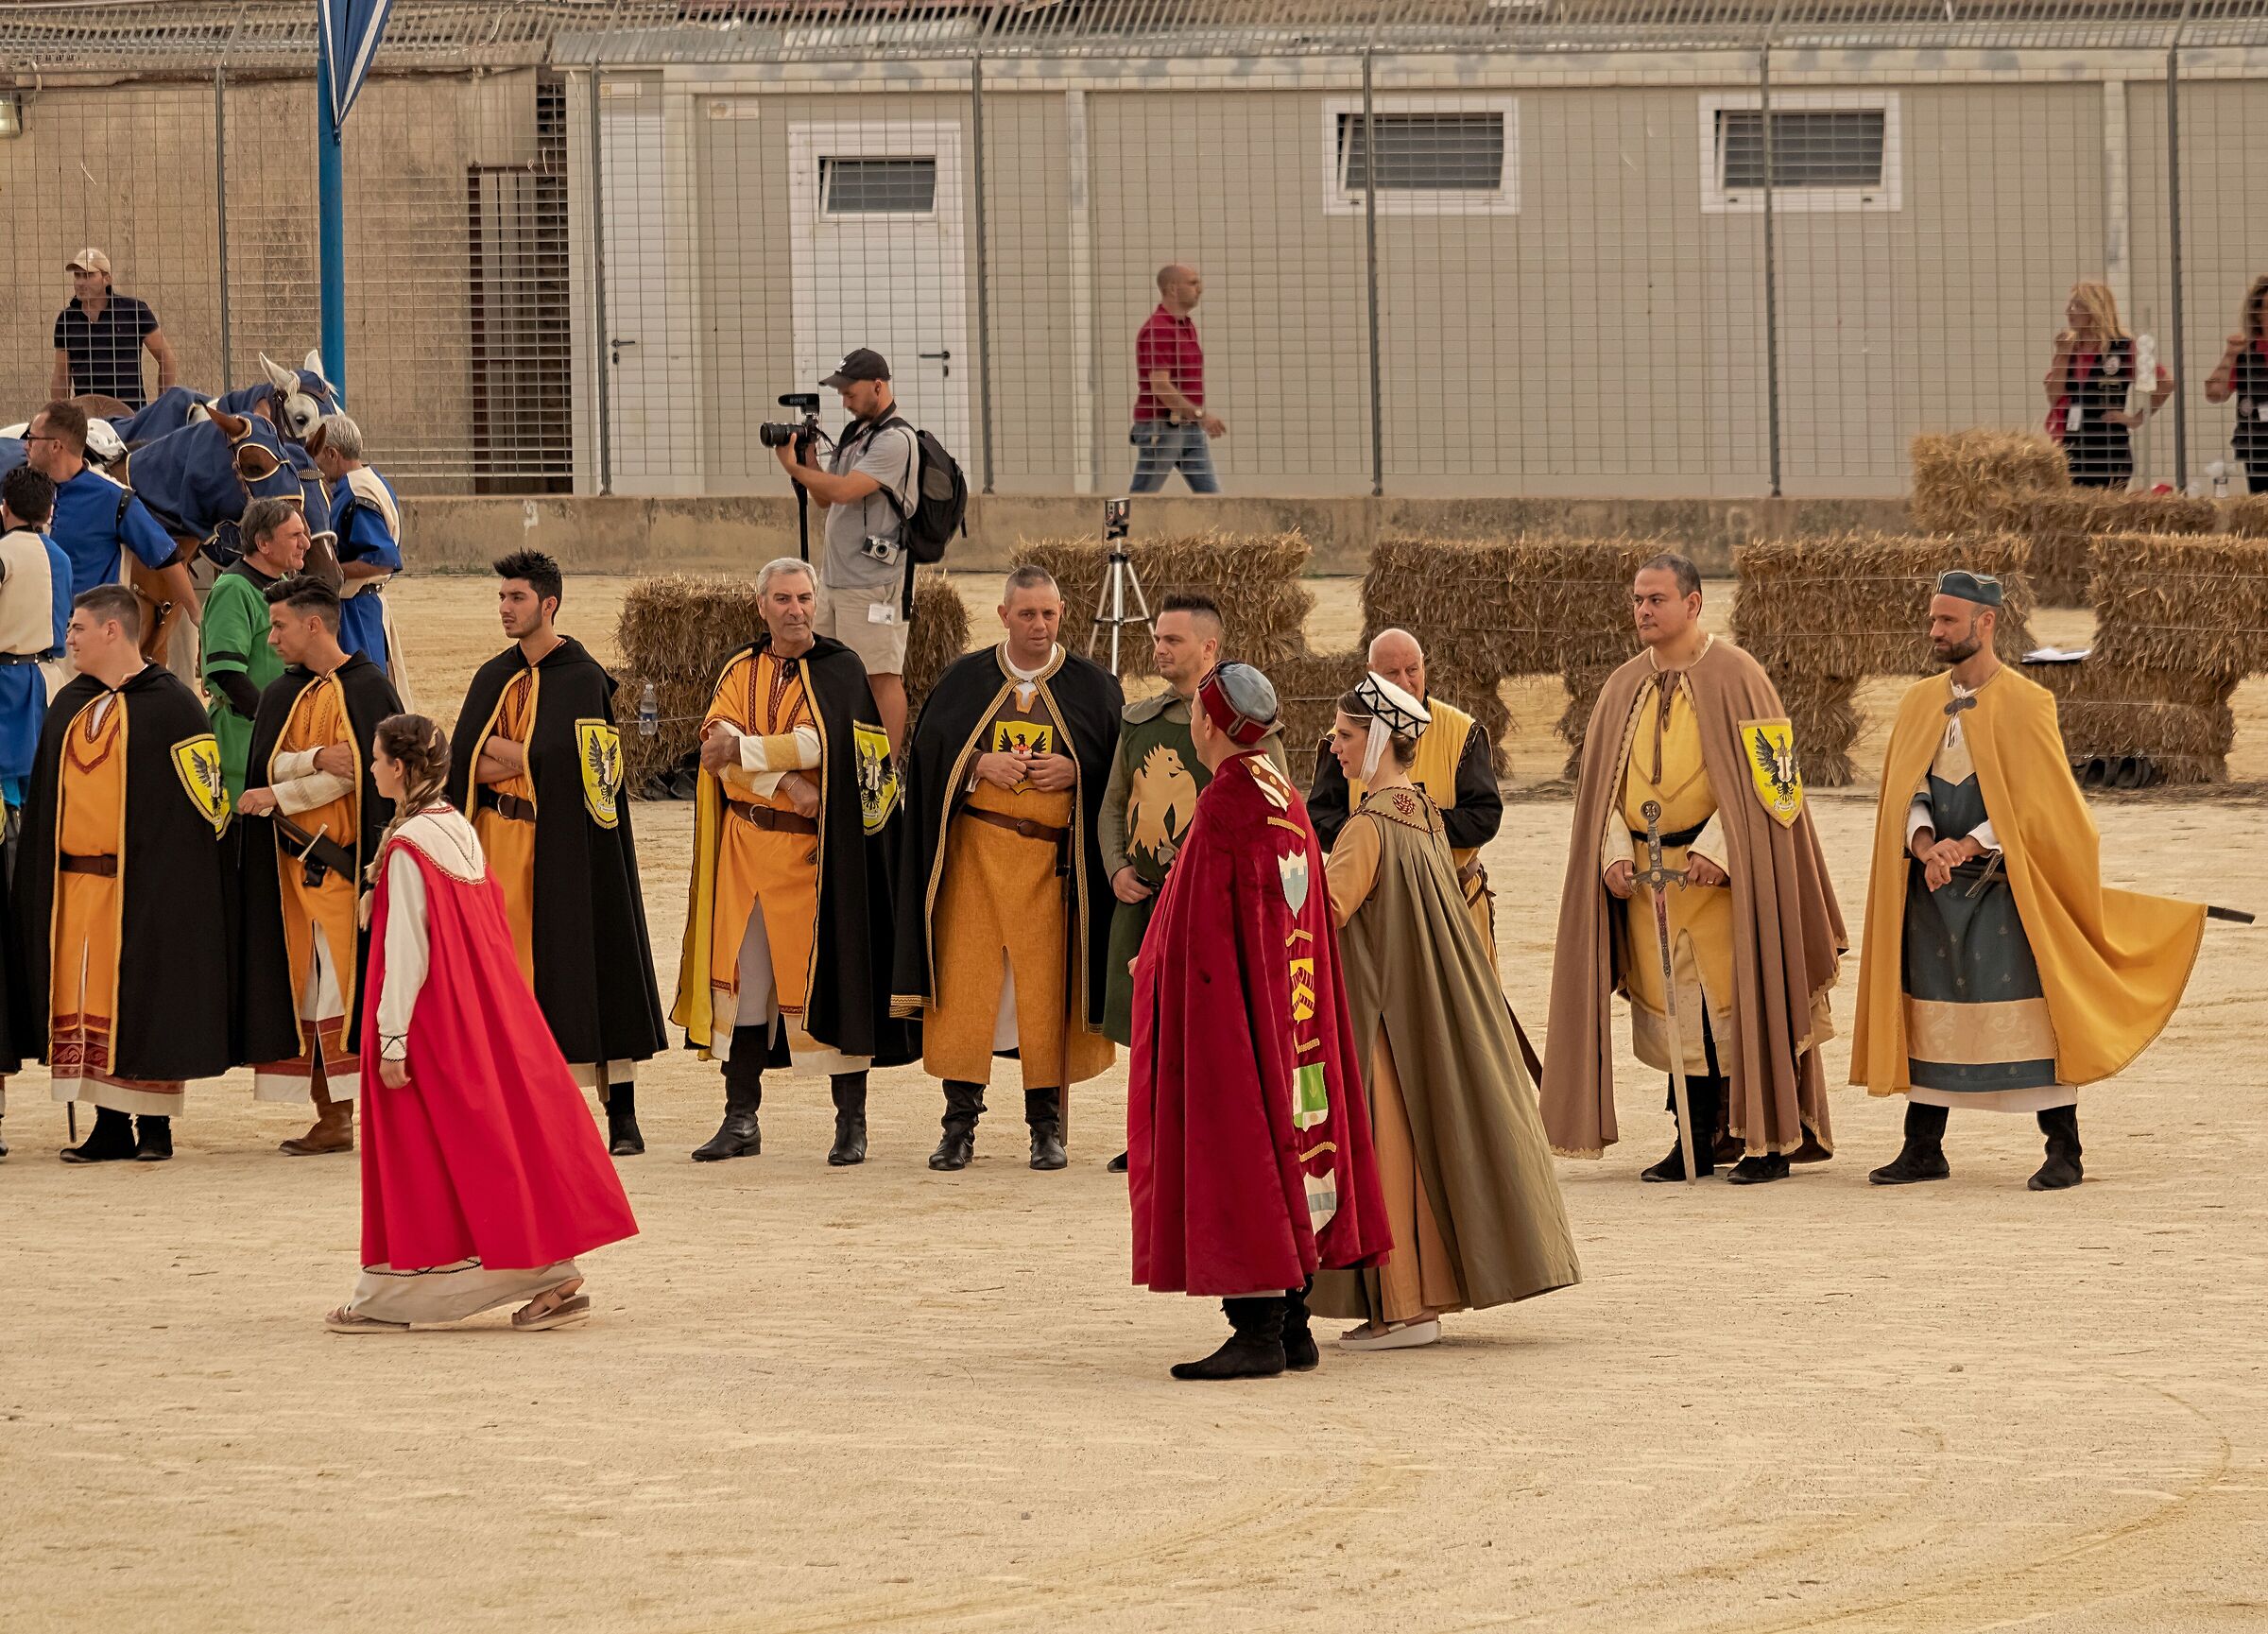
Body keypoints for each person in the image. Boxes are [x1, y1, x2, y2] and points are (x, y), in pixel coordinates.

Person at [1852, 571, 2206, 1191]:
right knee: (1935, 1008)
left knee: (2033, 1009)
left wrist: (1973, 842)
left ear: (1986, 623)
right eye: (1932, 620)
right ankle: (1923, 1146)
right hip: (1932, 892)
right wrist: (1927, 843)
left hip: (2004, 891)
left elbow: (2042, 803)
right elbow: (1905, 791)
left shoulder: (2027, 702)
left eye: (1948, 621)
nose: (1935, 631)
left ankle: (2063, 1149)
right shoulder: (1917, 704)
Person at [1540, 554, 1847, 1184]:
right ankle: (1694, 1140)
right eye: (1637, 600)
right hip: (1648, 883)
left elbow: (1780, 791)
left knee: (1736, 1009)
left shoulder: (1742, 676)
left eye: (1656, 599)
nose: (1644, 611)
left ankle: (1764, 1140)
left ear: (1694, 603)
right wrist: (1615, 855)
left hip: (1727, 884)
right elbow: (1600, 792)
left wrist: (1726, 849)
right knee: (1678, 1016)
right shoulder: (1622, 687)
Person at [327, 714, 638, 1333]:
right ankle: (549, 1270)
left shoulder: (410, 847)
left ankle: (395, 1297)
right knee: (497, 1145)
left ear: (401, 768)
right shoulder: (456, 827)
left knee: (430, 1161)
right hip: (481, 1015)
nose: (370, 767)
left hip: (432, 1027)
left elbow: (407, 953)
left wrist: (391, 1042)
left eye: (378, 757)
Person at [1126, 662, 1390, 1379]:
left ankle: (1257, 1330)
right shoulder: (1284, 791)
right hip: (1295, 1013)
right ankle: (1294, 1322)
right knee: (1296, 1143)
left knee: (1238, 1144)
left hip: (1240, 1010)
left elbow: (1198, 923)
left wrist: (1154, 974)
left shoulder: (1226, 802)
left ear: (1206, 723)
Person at [1312, 675, 1581, 1350]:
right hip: (1418, 1017)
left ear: (1375, 740)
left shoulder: (1367, 829)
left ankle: (1401, 1307)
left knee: (1387, 1160)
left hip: (1380, 1022)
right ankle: (1415, 1301)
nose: (1334, 747)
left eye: (1344, 736)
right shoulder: (1424, 813)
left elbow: (1322, 915)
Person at [673, 559, 908, 1166]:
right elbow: (714, 750)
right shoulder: (738, 669)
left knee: (829, 983)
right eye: (782, 599)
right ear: (761, 605)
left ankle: (850, 1125)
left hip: (813, 863)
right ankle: (740, 1119)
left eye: (804, 597)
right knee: (746, 988)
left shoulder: (841, 670)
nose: (795, 609)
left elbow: (822, 742)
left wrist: (747, 750)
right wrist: (783, 785)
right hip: (745, 853)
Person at [891, 565, 1122, 1172]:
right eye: (1026, 614)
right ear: (1003, 615)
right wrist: (975, 767)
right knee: (967, 993)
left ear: (1062, 613)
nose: (1039, 625)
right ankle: (958, 1126)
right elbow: (925, 763)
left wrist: (1078, 774)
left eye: (1048, 613)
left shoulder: (1094, 687)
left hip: (1050, 872)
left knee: (1044, 998)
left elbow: (1119, 778)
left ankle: (1046, 1128)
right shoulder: (965, 680)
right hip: (974, 864)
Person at [449, 552, 666, 1155]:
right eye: (501, 598)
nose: (505, 609)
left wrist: (509, 756)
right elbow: (463, 760)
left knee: (590, 966)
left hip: (563, 847)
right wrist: (523, 754)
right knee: (505, 983)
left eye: (516, 598)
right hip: (496, 845)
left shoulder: (582, 677)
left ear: (549, 604)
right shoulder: (494, 675)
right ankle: (518, 1117)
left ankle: (621, 1117)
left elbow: (578, 771)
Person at [19, 586, 231, 1163]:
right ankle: (107, 1124)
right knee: (89, 1003)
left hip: (149, 887)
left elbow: (207, 811)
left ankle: (153, 1127)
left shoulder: (175, 706)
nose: (69, 639)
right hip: (75, 890)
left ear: (113, 631)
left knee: (149, 998)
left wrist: (177, 886)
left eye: (78, 628)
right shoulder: (68, 703)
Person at [1097, 593, 1288, 1172]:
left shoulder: (1249, 726)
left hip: (1208, 902)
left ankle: (1202, 1141)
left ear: (1209, 648)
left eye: (1172, 640)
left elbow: (1271, 815)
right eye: (1156, 638)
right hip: (1145, 897)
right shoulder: (1139, 720)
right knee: (1147, 1026)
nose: (1158, 648)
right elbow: (1114, 804)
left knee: (1208, 1024)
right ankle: (1150, 1137)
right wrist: (1116, 867)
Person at [235, 580, 402, 1157]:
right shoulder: (280, 693)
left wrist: (283, 793)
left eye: (279, 625)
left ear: (315, 624)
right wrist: (308, 762)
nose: (271, 637)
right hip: (286, 873)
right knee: (303, 995)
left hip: (347, 870)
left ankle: (365, 1115)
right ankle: (329, 1118)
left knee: (348, 993)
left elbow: (364, 774)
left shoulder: (369, 689)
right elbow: (266, 766)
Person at [1307, 627, 1505, 961]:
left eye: (1412, 670)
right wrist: (1375, 848)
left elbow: (1484, 818)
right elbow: (1322, 819)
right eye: (1391, 673)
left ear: (1424, 667)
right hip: (1377, 912)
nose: (1404, 682)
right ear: (1370, 675)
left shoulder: (1463, 732)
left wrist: (1405, 832)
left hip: (1458, 904)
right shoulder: (1341, 743)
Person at [770, 349, 916, 753]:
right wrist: (810, 460)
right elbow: (825, 500)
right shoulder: (857, 436)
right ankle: (838, 757)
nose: (845, 401)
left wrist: (794, 468)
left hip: (875, 583)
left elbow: (847, 490)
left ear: (878, 386)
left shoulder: (896, 440)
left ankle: (882, 771)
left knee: (879, 675)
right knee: (828, 671)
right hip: (835, 580)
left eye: (850, 393)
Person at [24, 401, 195, 611]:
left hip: (90, 632)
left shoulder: (114, 498)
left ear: (55, 446)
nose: (26, 445)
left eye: (31, 439)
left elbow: (166, 557)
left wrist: (197, 617)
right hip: (37, 631)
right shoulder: (24, 491)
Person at [201, 497, 310, 801]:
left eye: (303, 533)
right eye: (294, 536)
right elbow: (227, 673)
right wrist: (273, 724)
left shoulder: (283, 583)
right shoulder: (234, 590)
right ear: (263, 544)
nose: (305, 543)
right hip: (245, 741)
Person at [2045, 281, 2173, 490]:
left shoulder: (2123, 347)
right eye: (2069, 305)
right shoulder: (2068, 348)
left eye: (2077, 305)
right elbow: (2054, 397)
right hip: (2072, 448)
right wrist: (2062, 354)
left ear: (2094, 309)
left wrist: (2135, 419)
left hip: (2109, 450)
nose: (2068, 311)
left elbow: (2165, 384)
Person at [308, 413, 406, 681]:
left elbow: (381, 559)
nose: (313, 464)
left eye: (316, 455)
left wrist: (326, 571)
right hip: (362, 605)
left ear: (330, 453)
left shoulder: (357, 491)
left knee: (358, 689)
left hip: (357, 611)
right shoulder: (370, 479)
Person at [0, 468, 72, 812]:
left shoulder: (3, 553)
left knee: (6, 801)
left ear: (5, 508)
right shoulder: (62, 559)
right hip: (48, 683)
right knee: (42, 797)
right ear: (49, 512)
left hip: (5, 687)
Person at [1129, 264, 1224, 494]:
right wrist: (1200, 415)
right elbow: (1160, 385)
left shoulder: (1185, 327)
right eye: (1192, 283)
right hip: (1163, 427)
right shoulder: (1159, 330)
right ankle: (1114, 530)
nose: (1199, 289)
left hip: (1187, 426)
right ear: (1172, 289)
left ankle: (1223, 531)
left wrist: (1194, 418)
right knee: (1142, 496)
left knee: (1212, 499)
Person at [51, 249, 176, 411]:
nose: (80, 282)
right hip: (86, 417)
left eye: (88, 275)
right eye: (77, 275)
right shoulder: (66, 320)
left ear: (106, 279)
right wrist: (61, 416)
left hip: (130, 415)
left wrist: (162, 407)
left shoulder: (133, 311)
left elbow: (167, 358)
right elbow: (62, 376)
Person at [2203, 275, 2268, 493]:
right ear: (2258, 314)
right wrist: (2229, 356)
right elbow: (2215, 393)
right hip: (2258, 447)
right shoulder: (2244, 353)